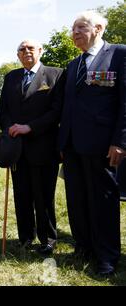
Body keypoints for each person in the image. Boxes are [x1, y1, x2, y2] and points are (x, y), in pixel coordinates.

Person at [58, 11, 126, 276]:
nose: (74, 33)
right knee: (76, 199)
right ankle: (83, 247)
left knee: (103, 201)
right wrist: (63, 142)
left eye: (80, 27)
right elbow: (68, 106)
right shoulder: (74, 64)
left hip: (102, 145)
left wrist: (120, 141)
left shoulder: (119, 54)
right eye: (72, 28)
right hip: (73, 145)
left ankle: (107, 257)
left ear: (98, 28)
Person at [0, 39, 64, 255]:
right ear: (17, 55)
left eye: (30, 48)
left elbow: (56, 111)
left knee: (44, 197)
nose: (26, 52)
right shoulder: (11, 77)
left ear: (40, 51)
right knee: (22, 195)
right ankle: (25, 237)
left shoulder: (55, 75)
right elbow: (4, 110)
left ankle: (48, 240)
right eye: (21, 49)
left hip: (43, 147)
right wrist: (10, 128)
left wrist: (30, 127)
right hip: (17, 149)